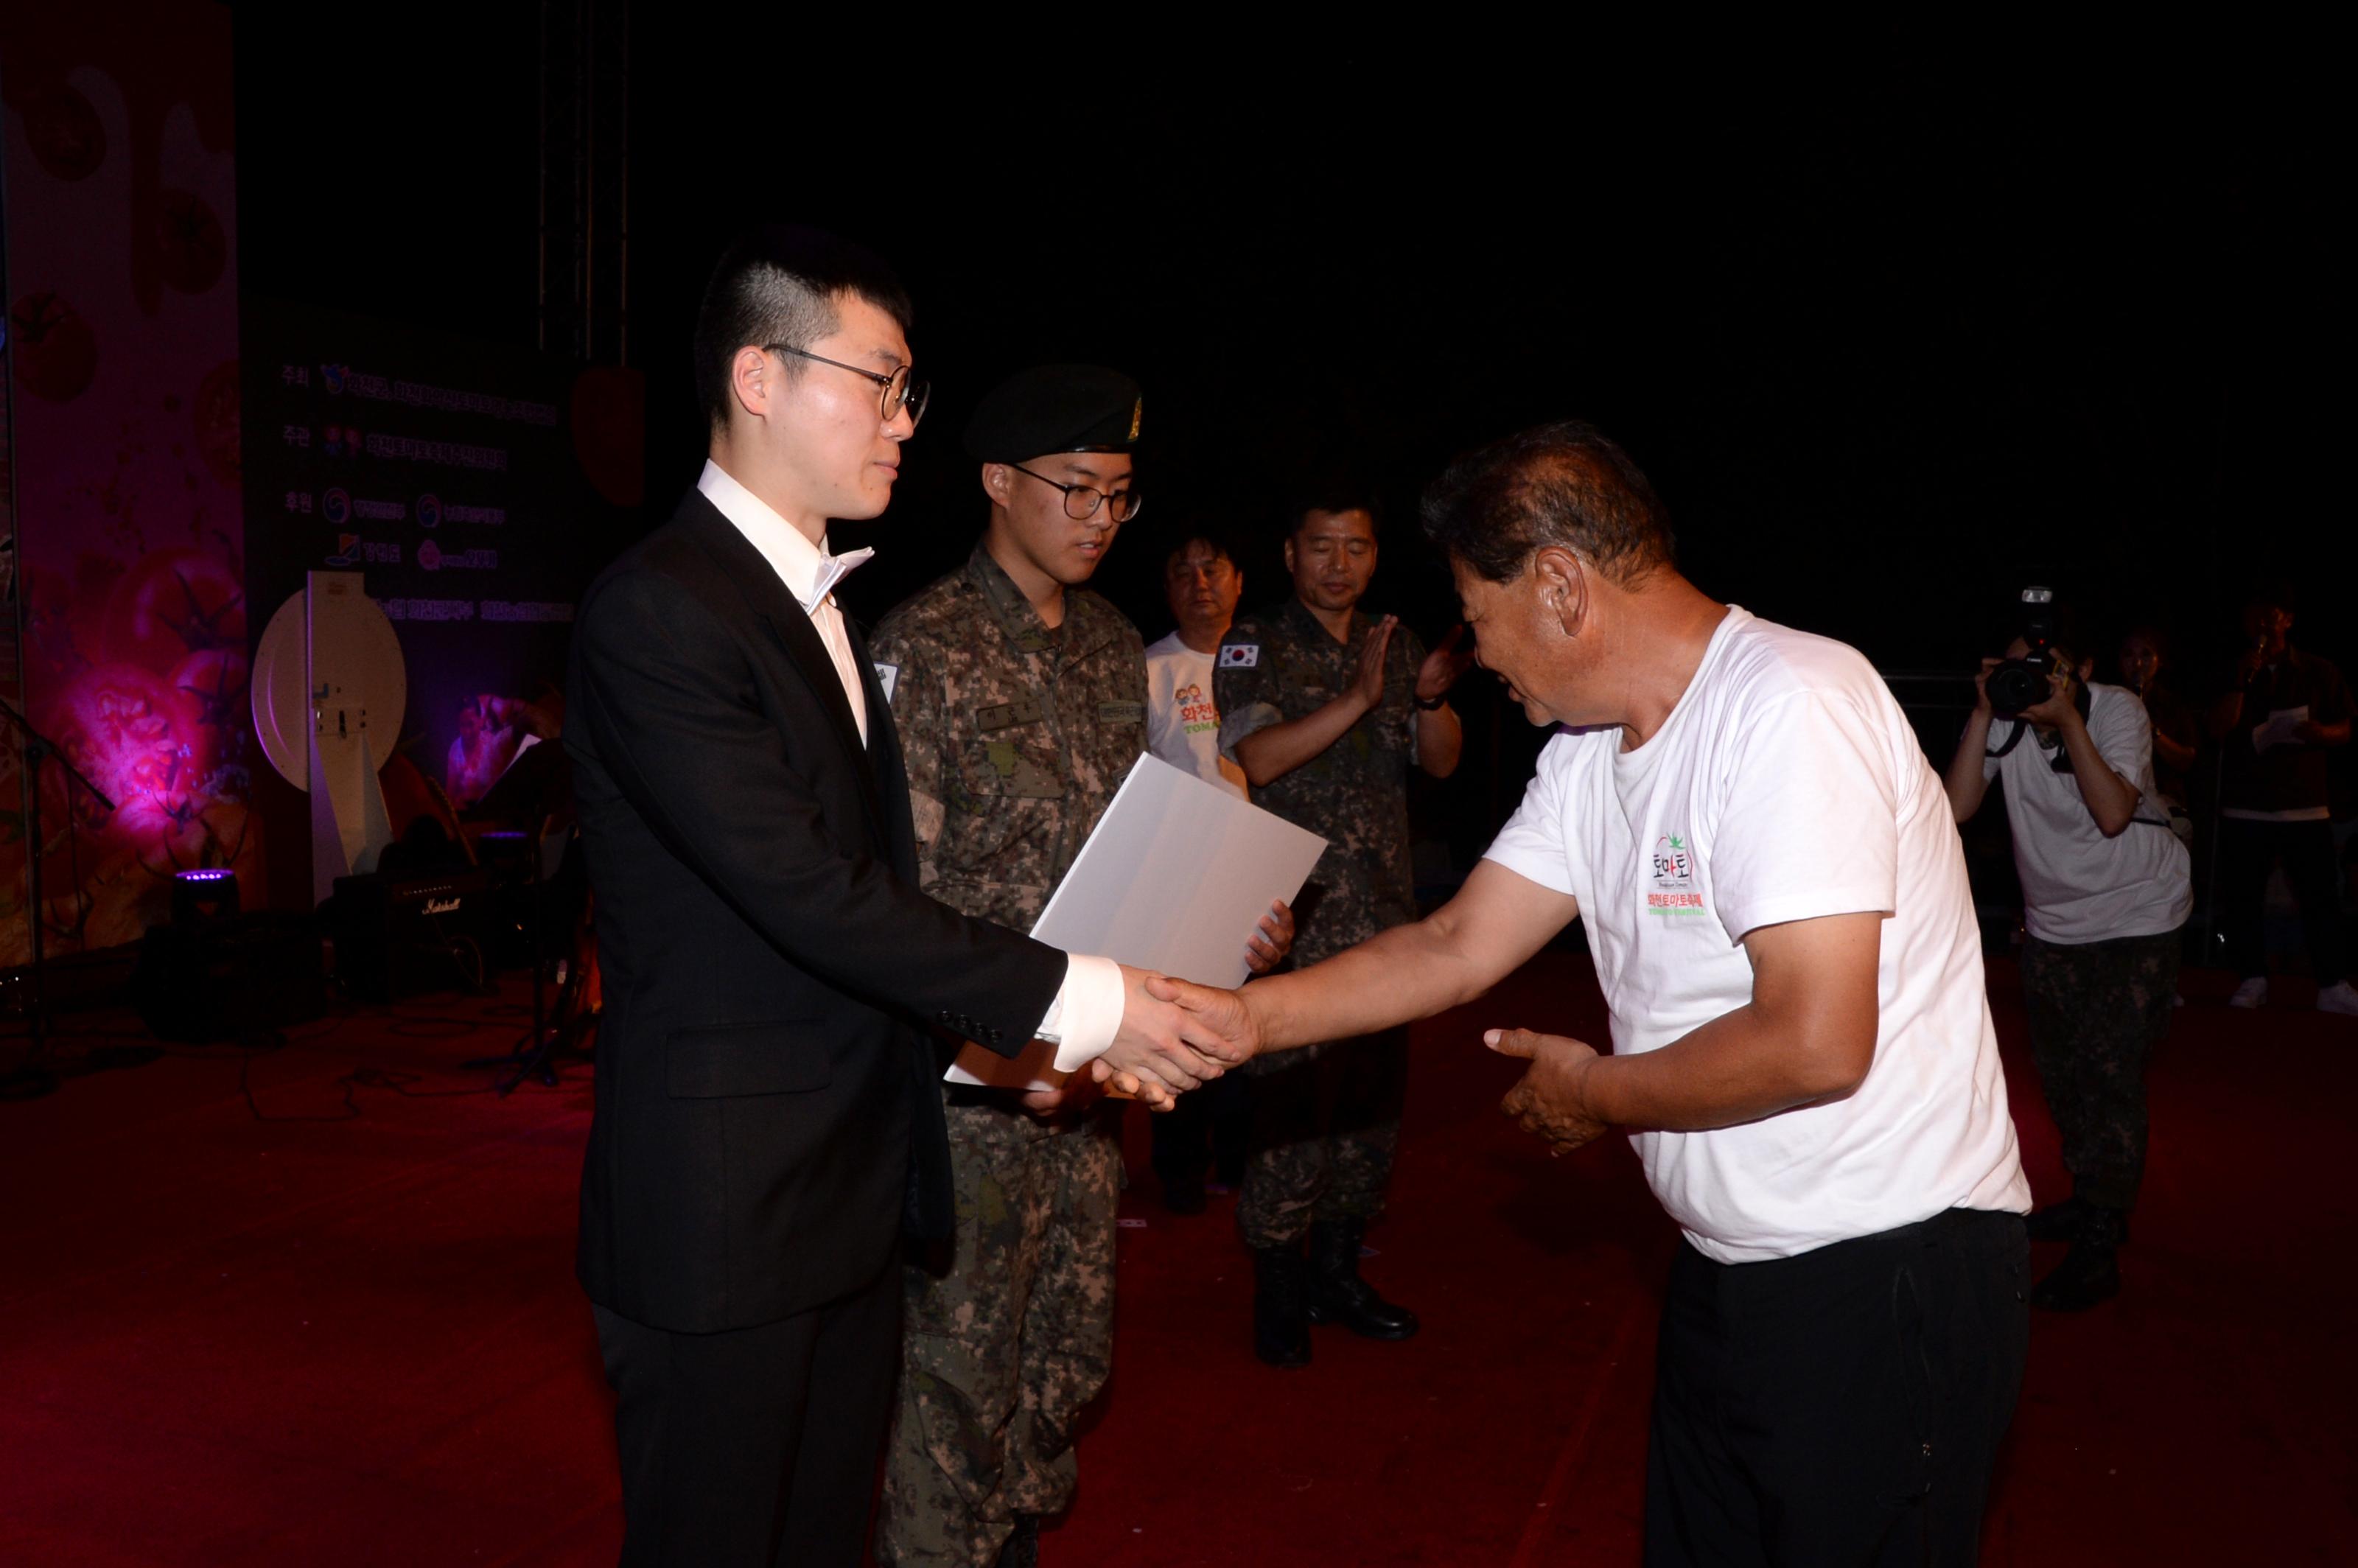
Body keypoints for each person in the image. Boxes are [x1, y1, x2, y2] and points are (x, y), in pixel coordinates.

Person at [1165, 420, 2032, 1564]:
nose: (1479, 653)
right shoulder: (1587, 753)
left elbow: (1818, 1040)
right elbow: (1455, 944)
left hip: (1887, 1268)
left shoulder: (1790, 704)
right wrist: (1242, 1020)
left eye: (1480, 617)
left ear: (1562, 587)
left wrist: (1600, 1095)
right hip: (1732, 1265)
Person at [563, 235, 1236, 1568]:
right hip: (725, 1214)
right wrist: (1087, 1006)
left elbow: (876, 902)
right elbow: (808, 893)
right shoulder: (661, 610)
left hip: (848, 1194)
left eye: (910, 390)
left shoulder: (807, 599)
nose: (902, 420)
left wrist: (1010, 1050)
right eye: (881, 383)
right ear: (759, 376)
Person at [870, 366, 1292, 1568]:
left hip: (1091, 1088)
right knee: (947, 1396)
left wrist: (1224, 928)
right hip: (975, 1094)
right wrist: (1008, 1048)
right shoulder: (923, 648)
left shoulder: (1114, 649)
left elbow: (1139, 849)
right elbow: (898, 913)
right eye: (1080, 490)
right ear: (999, 483)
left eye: (1121, 495)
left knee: (1061, 1367)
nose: (1105, 517)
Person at [1212, 491, 1470, 1366]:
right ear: (1289, 553)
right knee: (1291, 1112)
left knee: (1369, 1114)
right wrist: (1359, 698)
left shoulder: (1389, 647)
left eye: (1355, 548)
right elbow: (1255, 756)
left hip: (1385, 922)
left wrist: (1425, 699)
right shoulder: (1256, 644)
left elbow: (1439, 763)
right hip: (1295, 924)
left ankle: (1336, 1272)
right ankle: (1276, 1287)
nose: (1337, 564)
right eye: (1320, 546)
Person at [1945, 623, 2191, 1310]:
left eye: (2045, 669)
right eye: (2018, 668)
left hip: (2138, 913)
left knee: (2109, 1072)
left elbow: (2113, 812)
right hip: (2056, 923)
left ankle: (2101, 1241)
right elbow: (1958, 806)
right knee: (2063, 1075)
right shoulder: (2008, 715)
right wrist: (1984, 711)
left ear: (2082, 667)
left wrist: (2067, 721)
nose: (2031, 681)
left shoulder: (2116, 709)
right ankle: (2091, 1199)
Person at [1143, 531, 1255, 1213]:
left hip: (1267, 875)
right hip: (1182, 876)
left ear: (1240, 578)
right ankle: (1178, 1175)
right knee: (1177, 1029)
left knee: (1255, 1029)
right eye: (1182, 571)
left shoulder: (1267, 659)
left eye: (1213, 567)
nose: (1200, 581)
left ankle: (1244, 1167)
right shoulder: (1151, 668)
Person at [2208, 586, 2356, 1015]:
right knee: (2243, 898)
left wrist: (2322, 734)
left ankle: (2331, 983)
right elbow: (2217, 729)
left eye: (2270, 616)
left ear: (2288, 620)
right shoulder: (2231, 671)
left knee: (2320, 898)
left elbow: (2345, 727)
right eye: (2254, 616)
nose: (2262, 624)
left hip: (2305, 804)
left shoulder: (2318, 670)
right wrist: (2240, 681)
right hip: (2245, 803)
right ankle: (2252, 978)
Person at [2117, 625, 2199, 837]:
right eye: (2129, 654)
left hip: (2164, 806)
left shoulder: (2174, 705)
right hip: (2118, 803)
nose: (2137, 663)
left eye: (2146, 654)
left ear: (2160, 661)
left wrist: (2152, 731)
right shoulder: (2107, 701)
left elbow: (2186, 760)